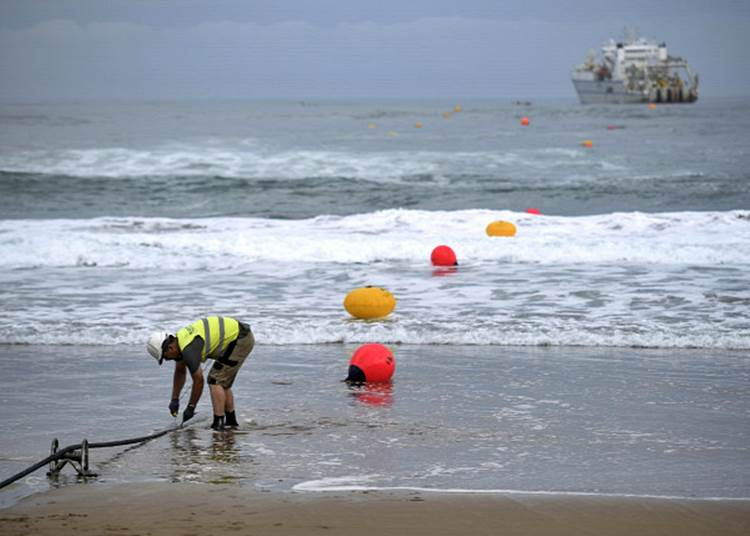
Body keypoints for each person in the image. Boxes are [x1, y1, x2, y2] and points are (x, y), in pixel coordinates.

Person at [146, 316, 254, 431]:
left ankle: (218, 424)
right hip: (238, 337)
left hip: (240, 339)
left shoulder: (188, 349)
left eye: (165, 357)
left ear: (170, 348)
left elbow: (198, 380)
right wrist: (174, 399)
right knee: (222, 381)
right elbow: (180, 371)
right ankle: (231, 422)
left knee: (215, 380)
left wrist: (191, 407)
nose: (168, 360)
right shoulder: (180, 342)